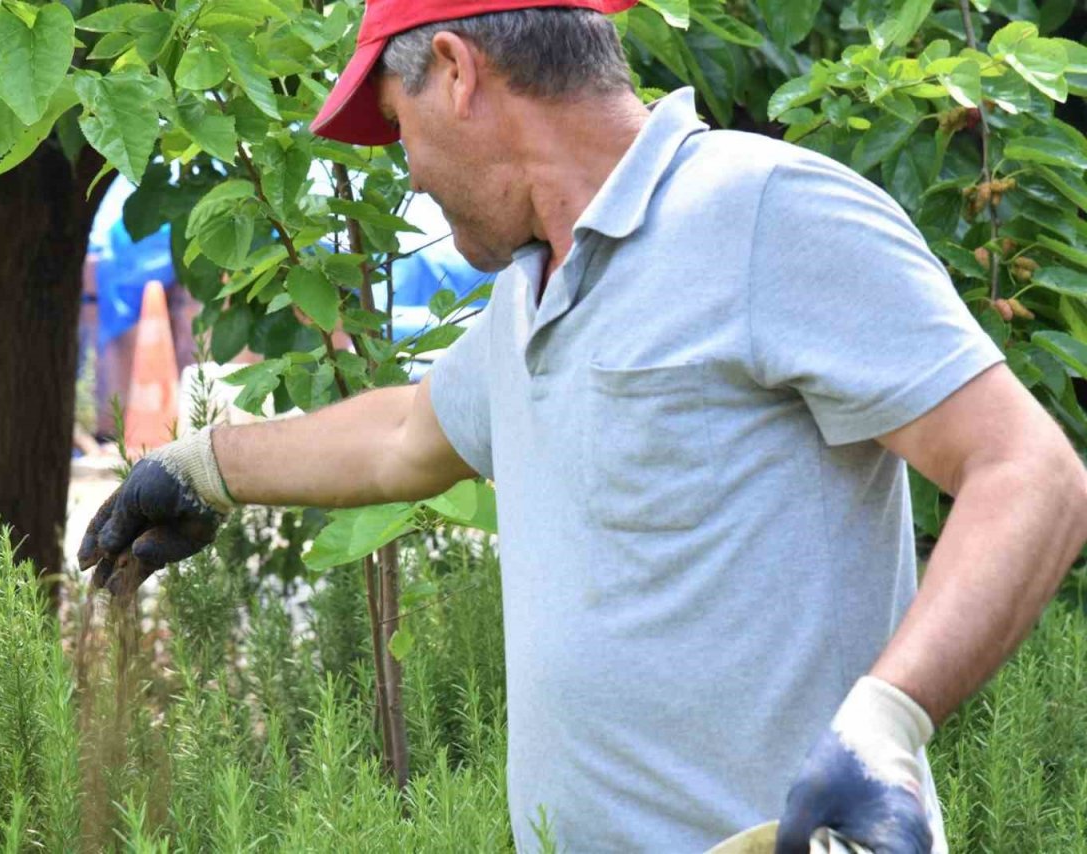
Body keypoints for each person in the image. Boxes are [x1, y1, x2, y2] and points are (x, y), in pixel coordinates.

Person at [80, 1, 1087, 851]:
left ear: (454, 71)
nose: (409, 172)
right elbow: (403, 437)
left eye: (397, 129)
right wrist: (201, 465)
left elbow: (1030, 471)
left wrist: (885, 724)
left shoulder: (763, 211)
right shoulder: (534, 287)